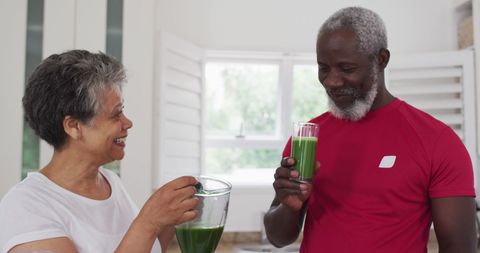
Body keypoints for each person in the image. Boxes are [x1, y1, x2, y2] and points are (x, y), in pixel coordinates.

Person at [264, 6, 477, 253]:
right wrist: (289, 206)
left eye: (346, 68)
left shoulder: (437, 141)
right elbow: (278, 238)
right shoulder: (307, 139)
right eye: (324, 67)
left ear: (381, 60)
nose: (332, 81)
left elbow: (459, 246)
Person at [0, 50, 199, 253]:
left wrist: (172, 216)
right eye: (116, 114)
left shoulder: (110, 182)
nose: (127, 123)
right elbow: (142, 234)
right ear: (74, 126)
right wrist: (148, 223)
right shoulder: (26, 208)